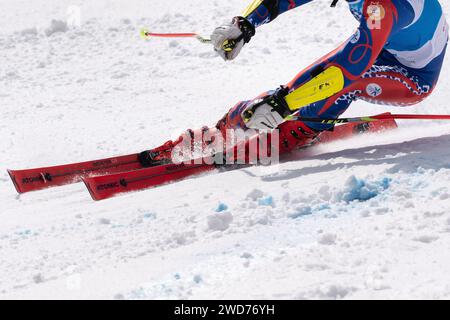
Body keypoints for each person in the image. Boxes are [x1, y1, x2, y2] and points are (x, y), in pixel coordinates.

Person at [139, 0, 448, 167]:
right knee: (312, 81)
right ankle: (228, 129)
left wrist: (284, 102)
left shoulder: (384, 7)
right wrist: (245, 24)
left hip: (411, 77)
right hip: (381, 49)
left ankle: (302, 131)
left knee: (344, 79)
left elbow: (349, 67)